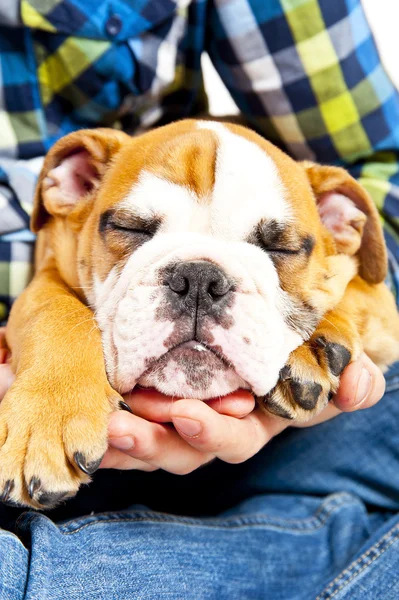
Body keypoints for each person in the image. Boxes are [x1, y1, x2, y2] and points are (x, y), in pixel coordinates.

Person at [0, 0, 398, 598]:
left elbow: (379, 165)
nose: (196, 290)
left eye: (275, 246)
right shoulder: (77, 225)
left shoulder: (318, 211)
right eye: (136, 230)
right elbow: (54, 269)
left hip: (263, 422)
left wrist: (342, 314)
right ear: (70, 184)